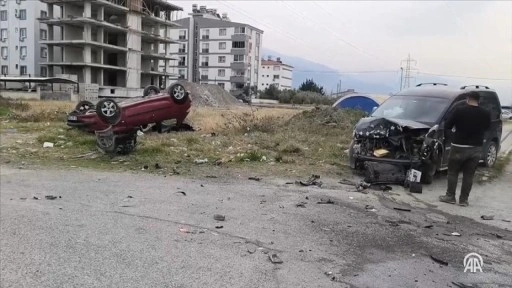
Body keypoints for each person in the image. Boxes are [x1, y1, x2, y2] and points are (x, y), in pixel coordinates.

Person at [439, 91, 491, 207]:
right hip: (475, 148)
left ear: (468, 99)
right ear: (479, 100)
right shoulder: (485, 113)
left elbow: (447, 125)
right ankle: (464, 200)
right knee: (469, 175)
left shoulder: (459, 110)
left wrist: (452, 137)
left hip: (458, 146)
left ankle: (450, 196)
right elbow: (487, 128)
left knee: (453, 172)